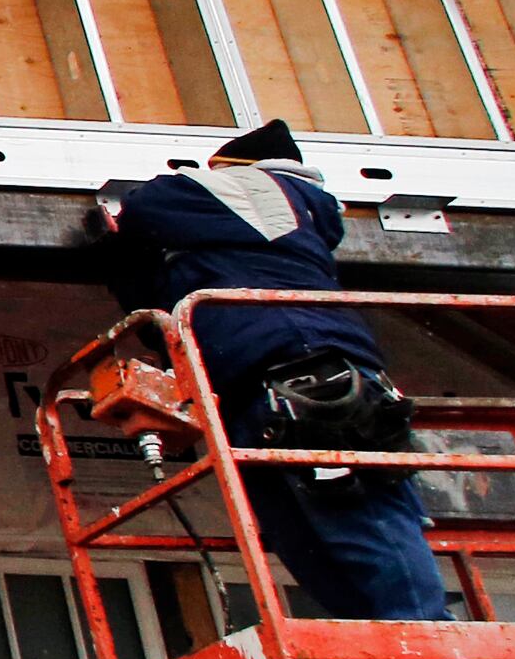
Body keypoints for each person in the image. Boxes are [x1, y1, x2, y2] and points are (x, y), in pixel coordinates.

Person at [97, 120, 453, 621]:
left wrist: (134, 217)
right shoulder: (245, 246)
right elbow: (164, 308)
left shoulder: (260, 185)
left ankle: (423, 634)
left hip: (303, 369)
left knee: (359, 514)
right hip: (254, 387)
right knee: (303, 532)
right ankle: (379, 635)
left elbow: (150, 205)